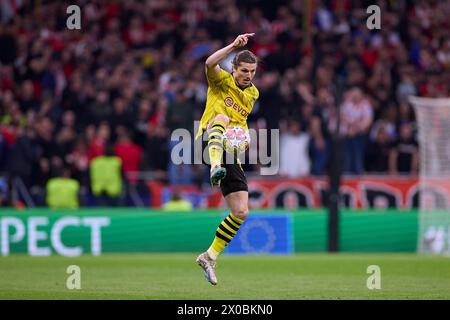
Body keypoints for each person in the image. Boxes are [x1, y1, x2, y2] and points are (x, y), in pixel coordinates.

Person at [194, 33, 259, 285]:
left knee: (241, 211)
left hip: (230, 149)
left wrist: (244, 139)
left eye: (252, 71)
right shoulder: (220, 81)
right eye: (244, 70)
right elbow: (209, 63)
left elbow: (241, 123)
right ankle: (215, 166)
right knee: (220, 118)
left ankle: (209, 256)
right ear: (234, 68)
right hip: (209, 139)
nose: (248, 75)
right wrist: (232, 45)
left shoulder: (253, 94)